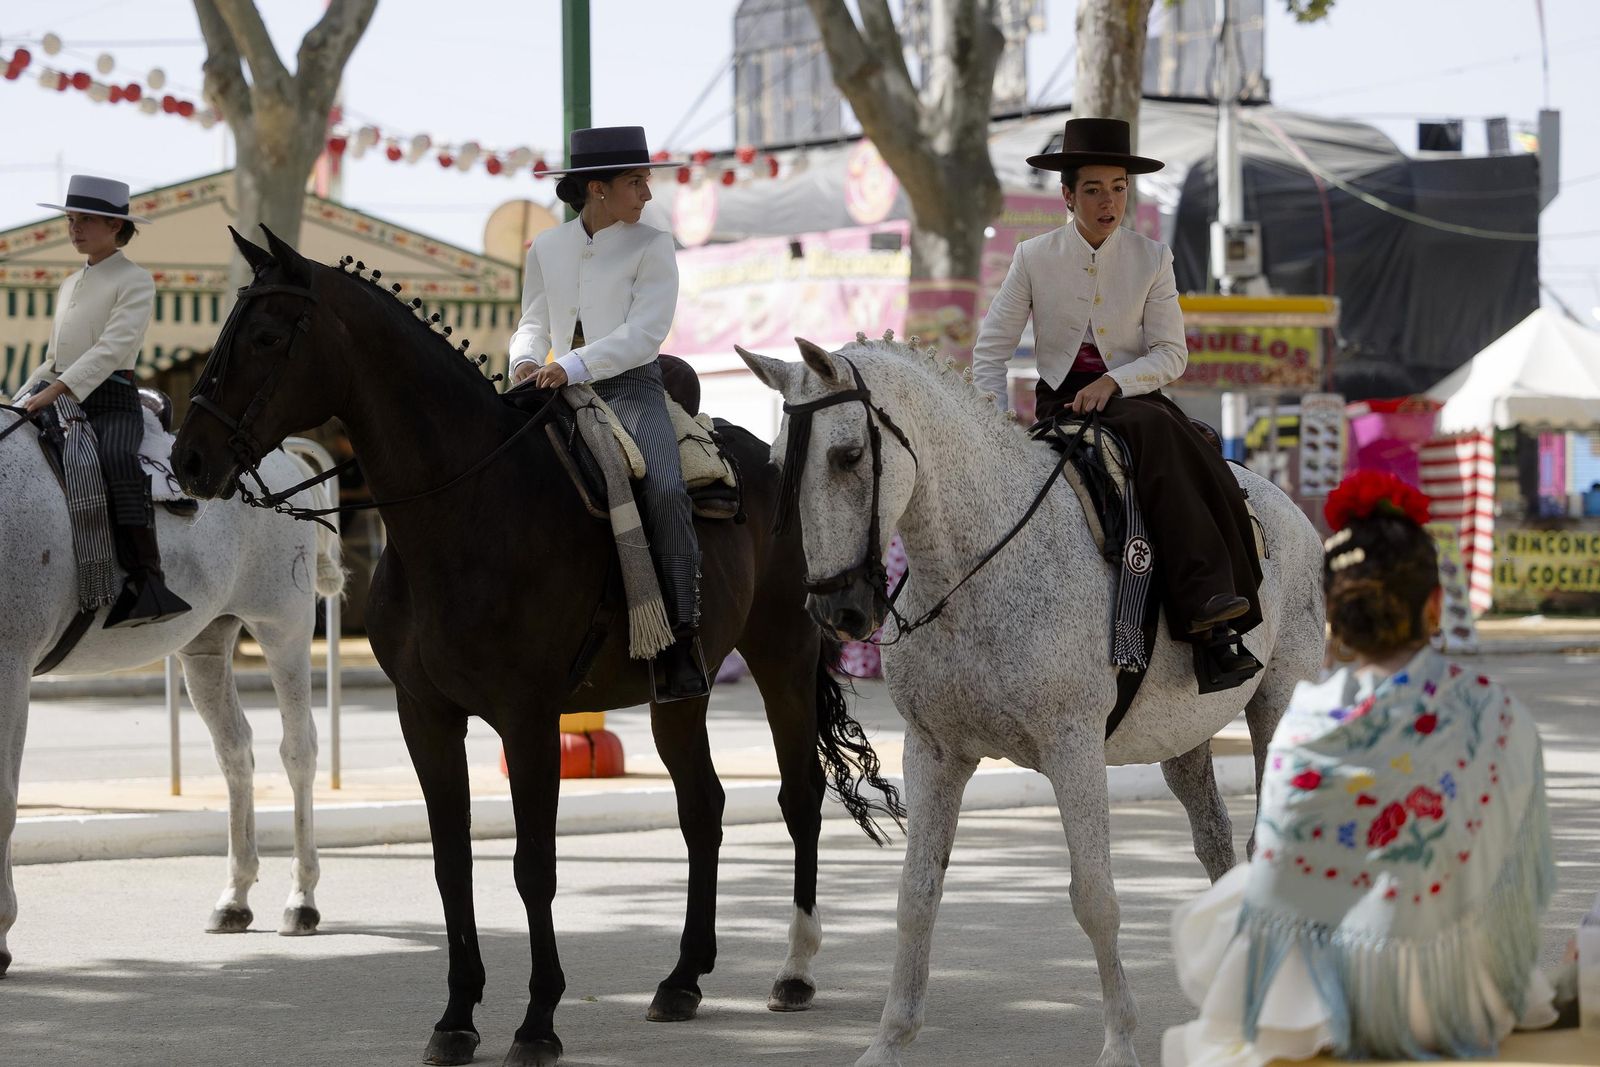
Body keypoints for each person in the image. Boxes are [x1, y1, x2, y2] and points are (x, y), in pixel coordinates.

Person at [1163, 470, 1558, 1065]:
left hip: (1328, 1005)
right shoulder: (1498, 715)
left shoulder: (1308, 723)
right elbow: (1526, 888)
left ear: (1336, 619)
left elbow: (1279, 899)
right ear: (1434, 606)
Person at [970, 117, 1260, 678]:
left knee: (1194, 451)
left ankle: (1210, 619)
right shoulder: (1033, 257)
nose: (1110, 202)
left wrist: (1115, 381)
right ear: (1067, 195)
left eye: (1119, 188)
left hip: (1135, 399)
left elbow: (1173, 355)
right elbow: (990, 351)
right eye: (1095, 190)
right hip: (1062, 405)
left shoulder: (1153, 257)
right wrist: (992, 420)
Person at [507, 126, 707, 700]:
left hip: (632, 387)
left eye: (646, 181)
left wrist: (569, 366)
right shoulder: (547, 247)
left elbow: (644, 334)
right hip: (547, 385)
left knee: (667, 487)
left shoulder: (653, 244)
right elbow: (533, 322)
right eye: (636, 181)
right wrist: (524, 360)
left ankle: (682, 640)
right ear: (597, 189)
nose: (647, 193)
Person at [17, 175, 190, 627]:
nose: (74, 228)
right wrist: (21, 399)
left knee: (115, 457)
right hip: (57, 394)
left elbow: (112, 349)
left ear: (116, 226)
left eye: (85, 220)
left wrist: (57, 390)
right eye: (71, 219)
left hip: (111, 398)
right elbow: (54, 358)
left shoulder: (135, 280)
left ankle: (147, 579)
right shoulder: (69, 283)